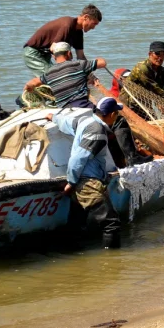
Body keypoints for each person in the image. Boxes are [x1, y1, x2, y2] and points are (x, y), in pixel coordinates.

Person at [51, 97, 126, 249]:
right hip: (88, 183)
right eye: (116, 113)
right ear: (111, 114)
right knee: (111, 223)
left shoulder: (85, 121)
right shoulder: (97, 131)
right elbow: (77, 159)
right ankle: (113, 264)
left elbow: (67, 124)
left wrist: (53, 117)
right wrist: (71, 183)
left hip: (81, 181)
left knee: (77, 223)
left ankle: (72, 256)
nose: (117, 116)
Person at [23, 42, 107, 108]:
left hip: (62, 110)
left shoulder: (48, 73)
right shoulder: (79, 64)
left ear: (53, 57)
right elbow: (102, 63)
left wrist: (28, 87)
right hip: (81, 106)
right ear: (69, 53)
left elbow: (34, 82)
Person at [23, 4, 102, 74]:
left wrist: (89, 73)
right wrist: (68, 70)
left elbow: (80, 56)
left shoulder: (78, 32)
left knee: (56, 77)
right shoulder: (67, 25)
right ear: (86, 17)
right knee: (53, 77)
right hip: (33, 53)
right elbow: (54, 48)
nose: (93, 28)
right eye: (94, 23)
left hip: (45, 54)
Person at [127, 41, 164, 116]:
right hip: (130, 102)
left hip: (145, 102)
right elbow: (154, 87)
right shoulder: (142, 68)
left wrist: (159, 103)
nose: (160, 58)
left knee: (154, 122)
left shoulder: (162, 70)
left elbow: (160, 89)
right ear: (150, 54)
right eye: (157, 54)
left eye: (163, 54)